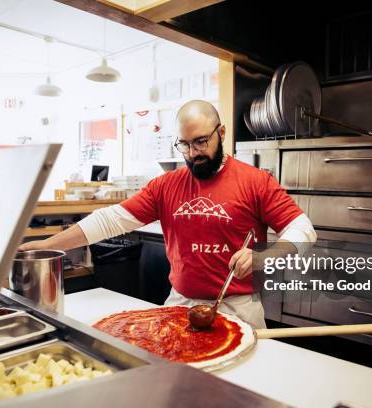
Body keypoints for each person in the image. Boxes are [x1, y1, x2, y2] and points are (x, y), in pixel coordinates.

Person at [19, 100, 316, 328]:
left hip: (239, 308)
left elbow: (303, 230)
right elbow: (110, 220)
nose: (192, 153)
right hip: (179, 304)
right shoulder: (166, 186)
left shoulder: (255, 182)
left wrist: (264, 256)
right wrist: (49, 245)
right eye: (184, 144)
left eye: (201, 141)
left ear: (221, 133)